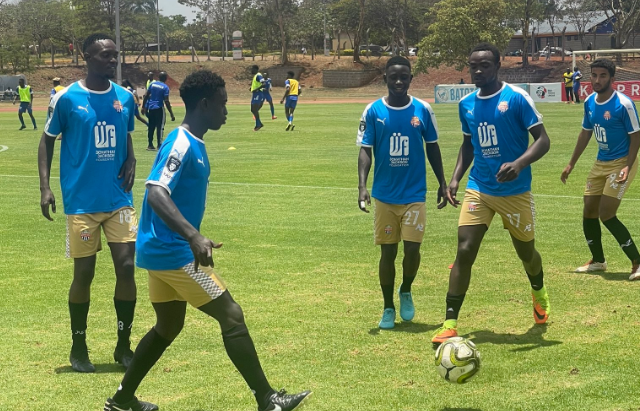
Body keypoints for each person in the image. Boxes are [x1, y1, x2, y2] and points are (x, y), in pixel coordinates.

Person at [104, 69, 312, 411]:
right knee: (231, 315)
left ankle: (122, 400)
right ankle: (268, 399)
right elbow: (156, 191)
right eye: (222, 103)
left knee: (168, 326)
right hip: (173, 252)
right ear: (204, 104)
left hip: (161, 251)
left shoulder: (191, 142)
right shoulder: (182, 143)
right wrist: (193, 235)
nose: (227, 110)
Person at [431, 42, 551, 345]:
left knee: (526, 253)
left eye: (485, 65)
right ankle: (450, 322)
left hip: (515, 191)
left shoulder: (516, 98)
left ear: (498, 65)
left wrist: (520, 163)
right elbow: (468, 144)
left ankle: (538, 291)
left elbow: (543, 140)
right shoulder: (467, 104)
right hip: (479, 188)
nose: (478, 70)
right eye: (473, 65)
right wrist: (456, 178)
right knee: (465, 250)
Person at [38, 33, 138, 373]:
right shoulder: (68, 98)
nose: (112, 60)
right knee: (85, 273)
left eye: (115, 55)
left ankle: (123, 346)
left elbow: (125, 135)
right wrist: (45, 187)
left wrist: (132, 160)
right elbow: (47, 140)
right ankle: (78, 346)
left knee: (126, 267)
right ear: (86, 57)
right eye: (105, 55)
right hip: (81, 203)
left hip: (119, 198)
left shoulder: (124, 97)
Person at [357, 56, 449, 329]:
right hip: (384, 195)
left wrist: (443, 184)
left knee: (412, 251)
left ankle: (406, 289)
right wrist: (363, 186)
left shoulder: (422, 109)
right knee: (387, 254)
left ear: (410, 79)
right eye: (393, 76)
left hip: (414, 194)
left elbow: (432, 147)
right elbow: (365, 151)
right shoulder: (373, 111)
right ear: (385, 78)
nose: (399, 81)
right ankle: (387, 307)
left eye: (404, 77)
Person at [561, 59, 640, 281]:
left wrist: (627, 165)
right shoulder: (588, 102)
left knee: (606, 214)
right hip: (600, 163)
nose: (597, 80)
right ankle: (598, 261)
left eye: (603, 76)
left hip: (622, 162)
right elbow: (585, 133)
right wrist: (571, 163)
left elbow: (636, 136)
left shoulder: (623, 104)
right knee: (588, 210)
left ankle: (637, 261)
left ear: (612, 79)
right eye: (594, 75)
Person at [142, 71, 175, 151]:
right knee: (160, 127)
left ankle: (150, 145)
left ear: (159, 77)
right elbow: (166, 101)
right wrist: (171, 113)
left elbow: (146, 95)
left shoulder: (152, 84)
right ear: (166, 78)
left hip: (151, 108)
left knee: (151, 126)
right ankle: (159, 145)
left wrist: (143, 106)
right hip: (159, 108)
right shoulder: (165, 87)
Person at [250, 65, 265, 131]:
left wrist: (256, 89)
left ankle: (258, 124)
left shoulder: (258, 75)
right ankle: (259, 124)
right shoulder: (256, 76)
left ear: (255, 69)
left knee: (254, 109)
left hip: (258, 93)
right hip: (256, 94)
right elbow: (257, 84)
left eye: (252, 69)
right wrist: (252, 88)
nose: (251, 70)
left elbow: (263, 84)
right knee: (253, 109)